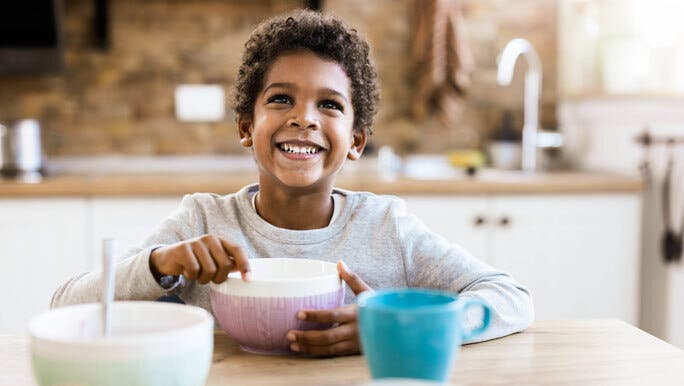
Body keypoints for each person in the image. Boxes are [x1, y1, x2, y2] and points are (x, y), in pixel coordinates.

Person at [51, 9, 533, 357]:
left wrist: (393, 327)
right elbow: (66, 306)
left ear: (356, 141)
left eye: (330, 105)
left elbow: (510, 298)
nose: (304, 119)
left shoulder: (387, 227)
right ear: (246, 126)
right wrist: (159, 265)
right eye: (281, 99)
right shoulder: (201, 221)